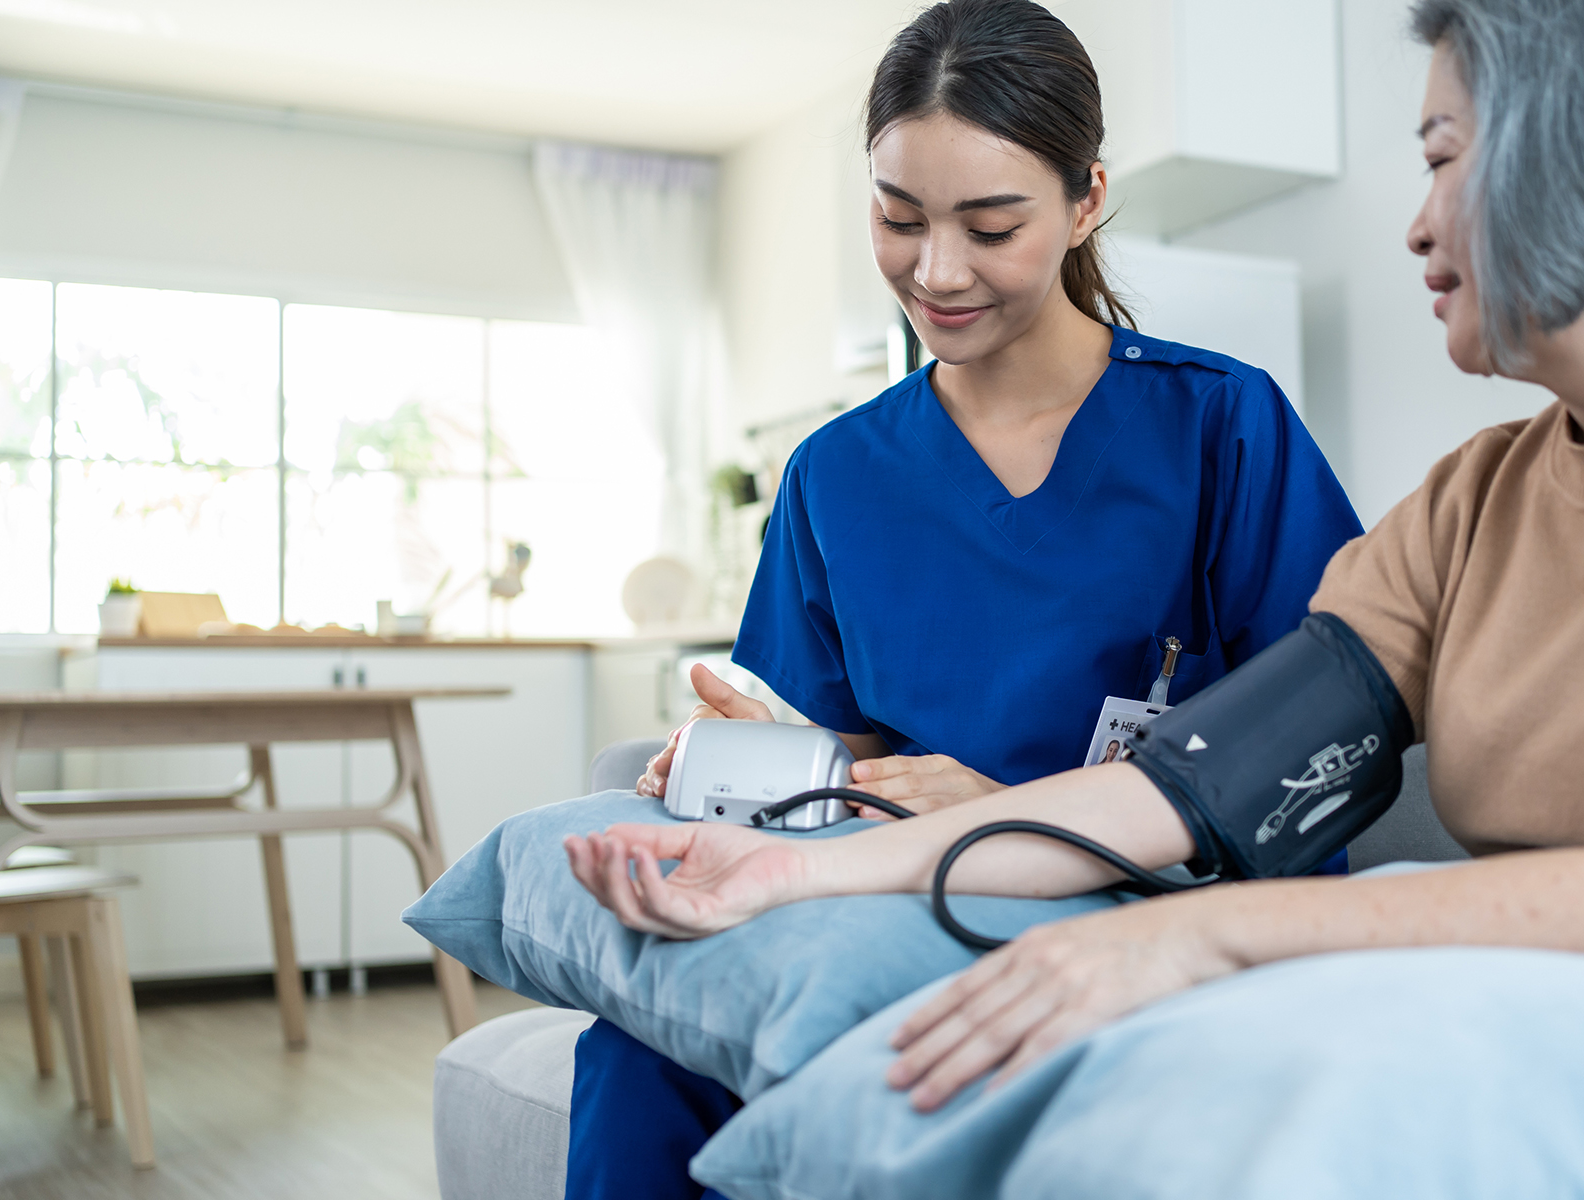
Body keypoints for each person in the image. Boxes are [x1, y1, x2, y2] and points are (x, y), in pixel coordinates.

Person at [571, 0, 1584, 1145]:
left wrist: (1192, 934)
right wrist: (797, 864)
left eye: (1438, 160)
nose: (1412, 225)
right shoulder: (1478, 502)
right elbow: (1197, 781)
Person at [562, 1, 1362, 1195]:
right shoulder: (836, 475)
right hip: (883, 898)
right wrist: (748, 763)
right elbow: (832, 747)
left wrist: (1013, 811)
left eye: (991, 226)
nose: (935, 273)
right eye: (898, 219)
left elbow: (1320, 749)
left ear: (1086, 200)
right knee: (641, 1048)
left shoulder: (1219, 427)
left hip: (1144, 907)